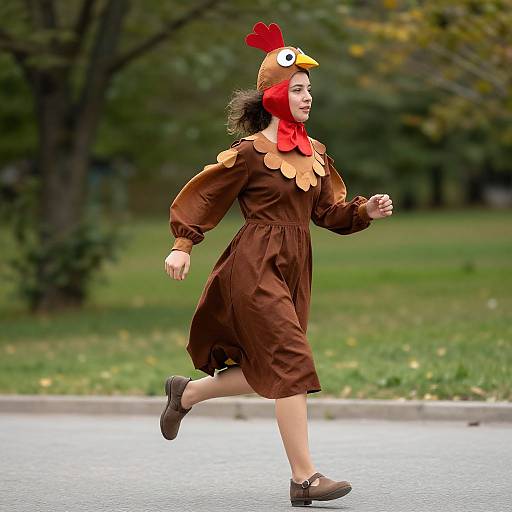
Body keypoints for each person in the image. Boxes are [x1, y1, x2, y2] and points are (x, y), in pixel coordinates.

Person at [160, 21, 393, 506]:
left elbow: (326, 212)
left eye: (310, 90)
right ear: (275, 96)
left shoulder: (316, 155)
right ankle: (304, 479)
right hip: (254, 264)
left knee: (269, 369)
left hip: (295, 265)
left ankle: (186, 395)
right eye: (299, 89)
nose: (308, 98)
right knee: (291, 361)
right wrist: (182, 244)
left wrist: (363, 211)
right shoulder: (250, 154)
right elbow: (205, 195)